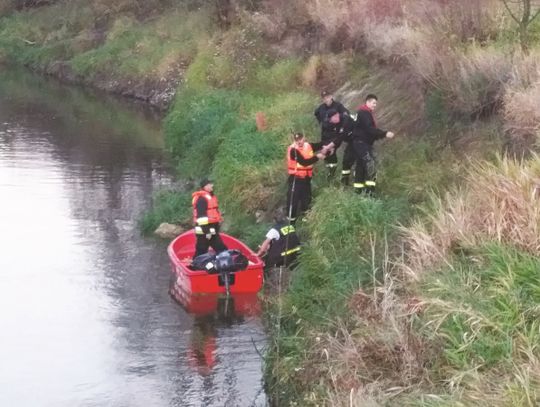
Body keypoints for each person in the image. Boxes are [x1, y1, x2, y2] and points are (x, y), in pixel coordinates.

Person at [351, 94, 395, 195]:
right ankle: (369, 192)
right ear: (368, 102)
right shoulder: (364, 113)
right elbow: (370, 129)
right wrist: (384, 133)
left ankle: (358, 192)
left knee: (360, 167)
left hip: (360, 144)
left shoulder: (363, 113)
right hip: (361, 144)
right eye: (374, 103)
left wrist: (379, 135)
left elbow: (368, 131)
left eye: (376, 103)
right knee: (371, 165)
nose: (375, 105)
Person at [286, 132, 328, 222]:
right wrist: (318, 156)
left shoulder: (308, 145)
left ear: (304, 138)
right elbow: (304, 162)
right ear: (294, 140)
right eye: (297, 140)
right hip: (295, 179)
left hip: (306, 179)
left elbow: (320, 144)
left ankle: (306, 220)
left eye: (300, 139)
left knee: (306, 199)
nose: (299, 142)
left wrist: (328, 145)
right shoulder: (293, 150)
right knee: (293, 202)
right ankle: (291, 223)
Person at [314, 90, 350, 176]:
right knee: (326, 151)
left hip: (334, 133)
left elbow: (346, 114)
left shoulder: (338, 106)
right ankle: (329, 170)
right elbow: (316, 113)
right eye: (324, 98)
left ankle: (332, 172)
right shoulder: (321, 107)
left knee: (330, 150)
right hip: (325, 133)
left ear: (331, 97)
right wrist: (321, 122)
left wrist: (340, 124)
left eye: (327, 97)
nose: (326, 100)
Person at [192, 178, 228, 258]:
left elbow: (213, 214)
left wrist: (215, 227)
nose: (212, 185)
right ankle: (194, 267)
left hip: (212, 230)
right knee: (201, 251)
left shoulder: (210, 197)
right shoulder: (202, 199)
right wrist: (207, 232)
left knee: (222, 249)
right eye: (210, 184)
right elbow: (201, 218)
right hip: (204, 231)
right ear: (205, 187)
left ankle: (225, 266)